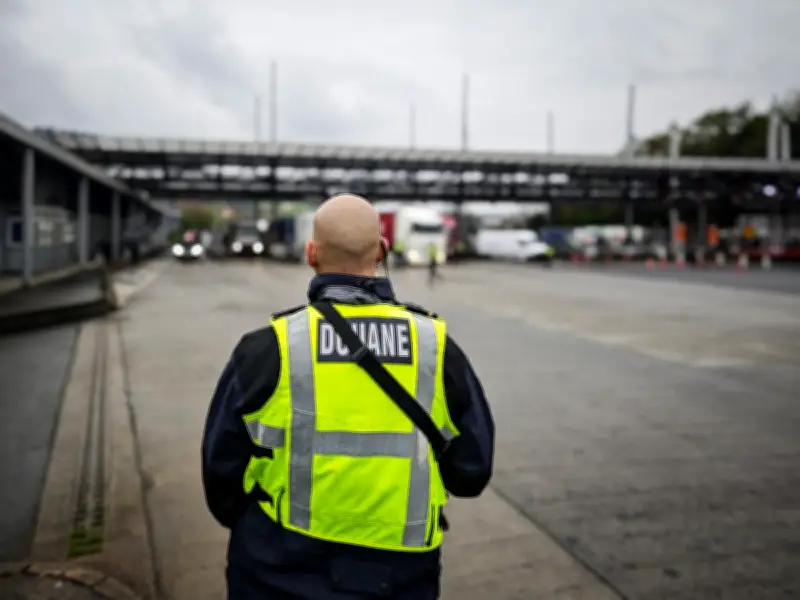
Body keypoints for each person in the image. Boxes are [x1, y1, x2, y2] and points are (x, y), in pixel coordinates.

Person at [202, 193, 494, 600]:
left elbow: (221, 470)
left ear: (311, 253)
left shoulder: (268, 348)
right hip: (397, 578)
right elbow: (471, 472)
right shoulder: (437, 348)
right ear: (382, 250)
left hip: (276, 570)